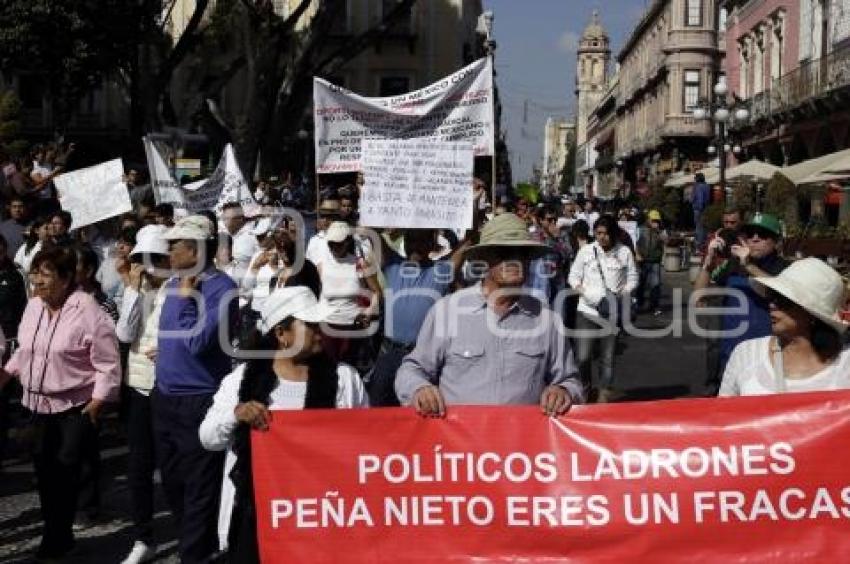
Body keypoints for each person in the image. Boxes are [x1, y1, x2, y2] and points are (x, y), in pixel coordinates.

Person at [199, 286, 368, 561]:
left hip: (325, 517)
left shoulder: (345, 380)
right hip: (257, 520)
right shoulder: (241, 381)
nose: (319, 331)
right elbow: (207, 438)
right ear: (281, 334)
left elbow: (366, 441)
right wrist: (236, 413)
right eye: (310, 325)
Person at [395, 213, 584, 416]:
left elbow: (570, 381)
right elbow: (411, 370)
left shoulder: (547, 320)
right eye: (504, 253)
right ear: (485, 260)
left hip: (522, 444)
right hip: (460, 443)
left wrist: (563, 392)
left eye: (523, 253)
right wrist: (419, 389)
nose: (515, 261)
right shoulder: (447, 311)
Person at [0, 246, 120, 559]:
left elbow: (108, 363)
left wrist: (98, 401)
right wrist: (7, 374)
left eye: (45, 273)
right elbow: (24, 351)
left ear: (66, 279)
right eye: (35, 272)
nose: (36, 279)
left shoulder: (89, 311)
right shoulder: (33, 307)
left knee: (65, 474)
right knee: (45, 474)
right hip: (37, 406)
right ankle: (58, 535)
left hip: (74, 408)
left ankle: (56, 541)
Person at [153, 215, 238, 563]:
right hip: (165, 396)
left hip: (198, 399)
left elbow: (200, 341)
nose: (168, 251)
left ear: (196, 249)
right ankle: (192, 541)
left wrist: (189, 300)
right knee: (172, 481)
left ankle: (195, 554)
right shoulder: (174, 282)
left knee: (200, 485)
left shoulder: (223, 288)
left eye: (175, 245)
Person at [116, 225, 172, 564]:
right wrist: (135, 292)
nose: (148, 266)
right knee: (138, 466)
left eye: (155, 258)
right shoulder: (133, 290)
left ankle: (191, 529)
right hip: (138, 387)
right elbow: (124, 332)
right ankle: (143, 537)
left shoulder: (180, 290)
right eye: (142, 259)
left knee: (173, 463)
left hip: (168, 385)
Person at [720, 258, 850, 396]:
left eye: (783, 300)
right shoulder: (746, 353)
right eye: (772, 296)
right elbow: (723, 413)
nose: (772, 305)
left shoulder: (846, 363)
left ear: (812, 315)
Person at [368, 230, 466, 407]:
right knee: (378, 411)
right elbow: (373, 234)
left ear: (432, 244)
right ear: (405, 242)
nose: (416, 246)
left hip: (423, 357)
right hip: (389, 353)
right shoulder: (391, 264)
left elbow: (467, 243)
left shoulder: (442, 270)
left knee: (423, 412)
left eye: (423, 240)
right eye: (412, 240)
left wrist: (473, 208)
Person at [694, 212, 789, 386]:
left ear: (776, 242)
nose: (755, 238)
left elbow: (778, 291)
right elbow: (699, 296)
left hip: (766, 356)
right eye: (750, 233)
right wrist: (708, 262)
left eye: (762, 235)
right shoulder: (733, 264)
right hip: (731, 354)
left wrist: (749, 266)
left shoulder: (784, 268)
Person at [568, 215, 639, 403]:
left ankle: (603, 396)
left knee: (607, 359)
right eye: (598, 233)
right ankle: (585, 389)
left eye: (606, 233)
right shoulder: (586, 251)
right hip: (587, 311)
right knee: (582, 357)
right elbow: (573, 276)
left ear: (613, 233)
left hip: (611, 313)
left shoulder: (624, 252)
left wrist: (625, 292)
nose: (602, 237)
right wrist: (582, 291)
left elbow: (633, 277)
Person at [314, 222, 381, 372]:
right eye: (331, 244)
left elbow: (376, 292)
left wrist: (370, 311)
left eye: (339, 244)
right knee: (326, 372)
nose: (334, 247)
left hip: (352, 330)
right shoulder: (321, 265)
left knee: (349, 371)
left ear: (348, 241)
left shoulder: (360, 264)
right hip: (327, 328)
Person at [635, 210, 666, 316]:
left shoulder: (661, 232)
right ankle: (639, 303)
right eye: (653, 220)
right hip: (642, 261)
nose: (655, 222)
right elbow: (635, 242)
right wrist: (637, 254)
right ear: (648, 219)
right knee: (640, 283)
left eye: (657, 220)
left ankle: (655, 306)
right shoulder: (640, 229)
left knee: (655, 284)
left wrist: (660, 234)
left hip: (655, 261)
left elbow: (667, 241)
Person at [690, 172, 711, 250]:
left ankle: (699, 246)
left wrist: (693, 201)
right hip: (706, 209)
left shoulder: (698, 187)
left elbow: (699, 198)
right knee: (704, 227)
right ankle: (704, 244)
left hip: (698, 209)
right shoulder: (707, 186)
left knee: (699, 227)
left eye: (695, 178)